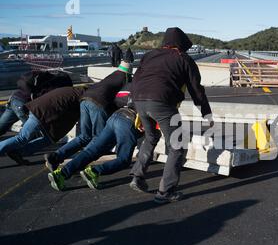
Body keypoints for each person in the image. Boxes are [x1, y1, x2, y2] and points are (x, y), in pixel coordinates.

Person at [129, 27, 213, 204]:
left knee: (151, 136)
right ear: (181, 44)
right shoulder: (184, 59)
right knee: (177, 145)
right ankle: (165, 191)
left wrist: (136, 105)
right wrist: (207, 113)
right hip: (161, 101)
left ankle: (137, 176)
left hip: (138, 99)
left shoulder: (149, 55)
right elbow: (196, 91)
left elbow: (136, 79)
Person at [48, 84, 144, 191]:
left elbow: (117, 99)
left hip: (115, 116)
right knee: (123, 159)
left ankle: (61, 174)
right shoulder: (158, 90)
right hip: (129, 122)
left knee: (92, 151)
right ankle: (94, 171)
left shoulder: (135, 84)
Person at [44, 62, 131, 172]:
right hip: (98, 103)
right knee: (99, 139)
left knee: (84, 136)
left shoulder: (112, 75)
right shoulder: (125, 79)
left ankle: (55, 156)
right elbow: (121, 99)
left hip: (85, 100)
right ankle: (77, 165)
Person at [0, 86, 85, 165]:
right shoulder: (82, 97)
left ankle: (18, 152)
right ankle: (16, 152)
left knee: (47, 139)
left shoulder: (75, 92)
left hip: (40, 111)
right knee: (23, 137)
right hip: (40, 113)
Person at [0, 70, 73, 137]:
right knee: (32, 132)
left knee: (2, 127)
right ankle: (12, 150)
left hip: (14, 99)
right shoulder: (51, 86)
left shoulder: (44, 78)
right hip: (23, 103)